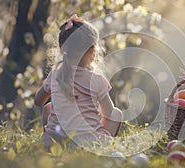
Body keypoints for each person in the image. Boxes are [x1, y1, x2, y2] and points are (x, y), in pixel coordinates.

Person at [34, 14, 122, 148]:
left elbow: (38, 101)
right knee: (117, 114)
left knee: (48, 107)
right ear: (92, 51)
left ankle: (50, 138)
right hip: (87, 143)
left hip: (54, 140)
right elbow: (109, 112)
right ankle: (101, 145)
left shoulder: (55, 74)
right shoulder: (96, 80)